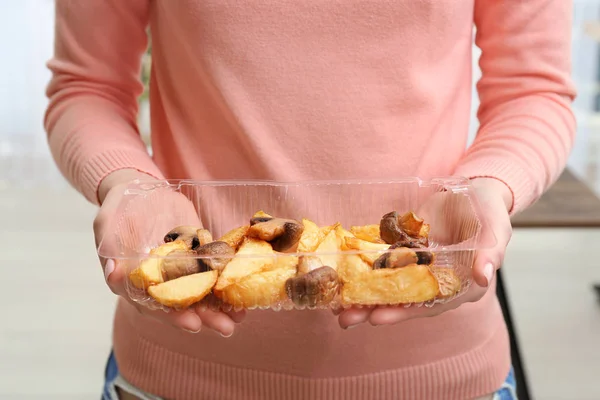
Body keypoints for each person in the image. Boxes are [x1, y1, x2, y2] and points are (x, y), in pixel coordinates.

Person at [44, 1, 576, 399]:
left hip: (442, 369)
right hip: (181, 370)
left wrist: (490, 185)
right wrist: (127, 182)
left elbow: (535, 92)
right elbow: (86, 85)